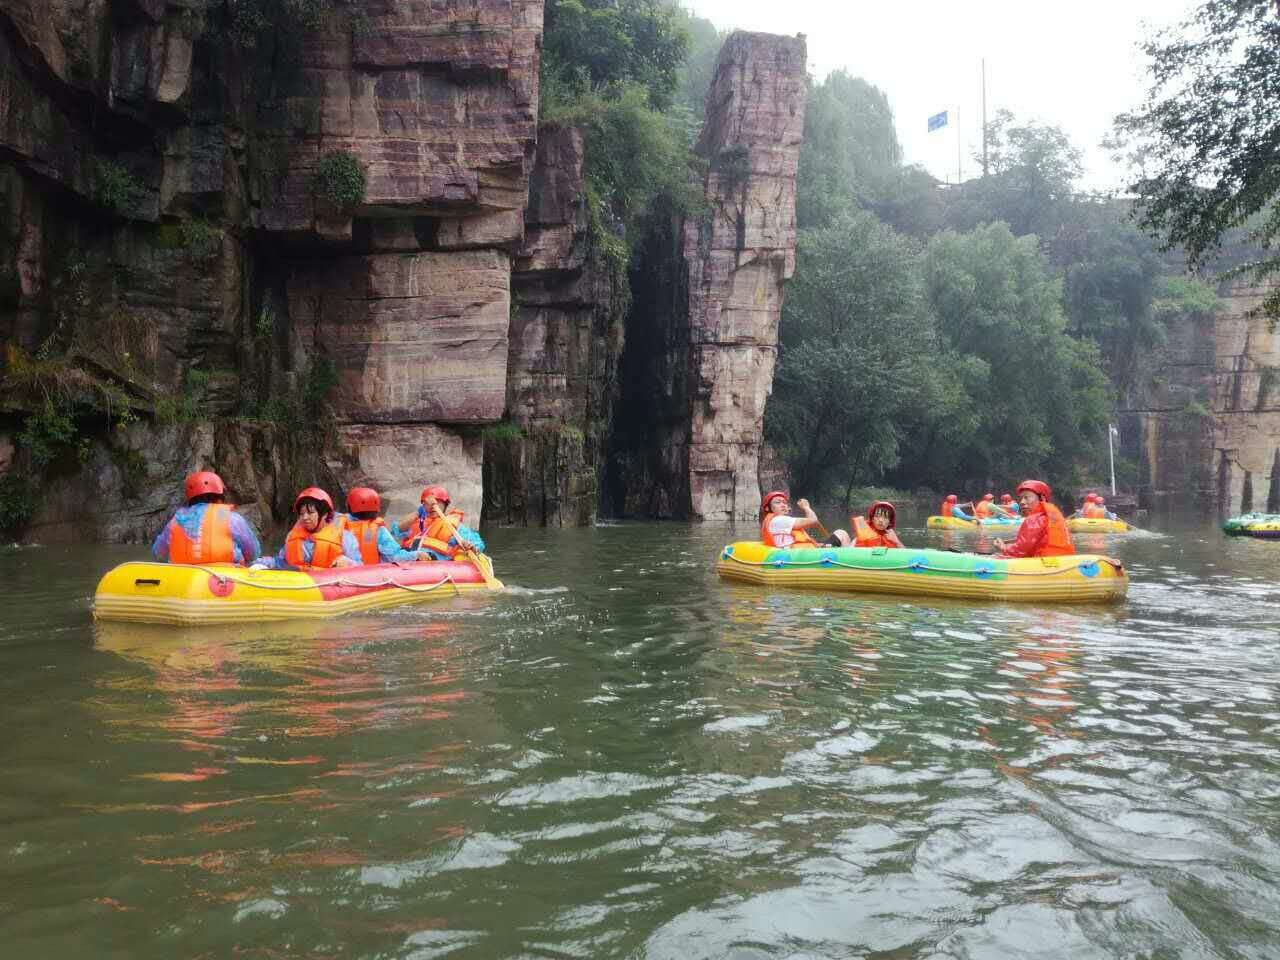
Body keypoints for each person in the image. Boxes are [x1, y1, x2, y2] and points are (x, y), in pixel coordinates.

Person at [152, 470, 261, 566]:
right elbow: (253, 553)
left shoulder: (176, 521)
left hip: (184, 579)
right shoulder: (232, 519)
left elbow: (158, 554)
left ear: (190, 498)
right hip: (225, 580)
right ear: (220, 497)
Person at [252, 487, 362, 570]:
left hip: (331, 588)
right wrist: (262, 563)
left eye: (310, 513)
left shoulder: (345, 537)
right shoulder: (293, 536)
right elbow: (280, 562)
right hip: (301, 589)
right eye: (302, 513)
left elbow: (360, 569)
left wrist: (348, 563)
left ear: (324, 514)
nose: (305, 517)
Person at [400, 485, 486, 560]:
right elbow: (398, 529)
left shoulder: (454, 525)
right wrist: (420, 511)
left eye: (437, 503)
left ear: (445, 505)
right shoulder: (416, 521)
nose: (433, 507)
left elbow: (476, 543)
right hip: (412, 559)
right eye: (430, 504)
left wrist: (471, 546)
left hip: (438, 563)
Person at [993, 480, 1074, 558]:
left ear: (1042, 498)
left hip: (1045, 563)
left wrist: (1003, 547)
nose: (1022, 502)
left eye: (1026, 497)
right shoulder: (1051, 516)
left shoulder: (1035, 519)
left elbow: (1021, 550)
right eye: (1021, 498)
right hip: (1063, 561)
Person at [340, 487, 418, 565]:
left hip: (340, 575)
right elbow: (394, 556)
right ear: (376, 509)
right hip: (370, 574)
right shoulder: (379, 530)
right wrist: (415, 555)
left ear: (349, 507)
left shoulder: (337, 525)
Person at [760, 491, 849, 548]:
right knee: (842, 533)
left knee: (846, 537)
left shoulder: (781, 521)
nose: (783, 505)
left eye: (784, 503)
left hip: (806, 551)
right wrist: (806, 507)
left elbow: (810, 522)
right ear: (768, 508)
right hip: (800, 555)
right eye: (778, 502)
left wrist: (818, 545)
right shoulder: (778, 520)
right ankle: (849, 562)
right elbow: (813, 520)